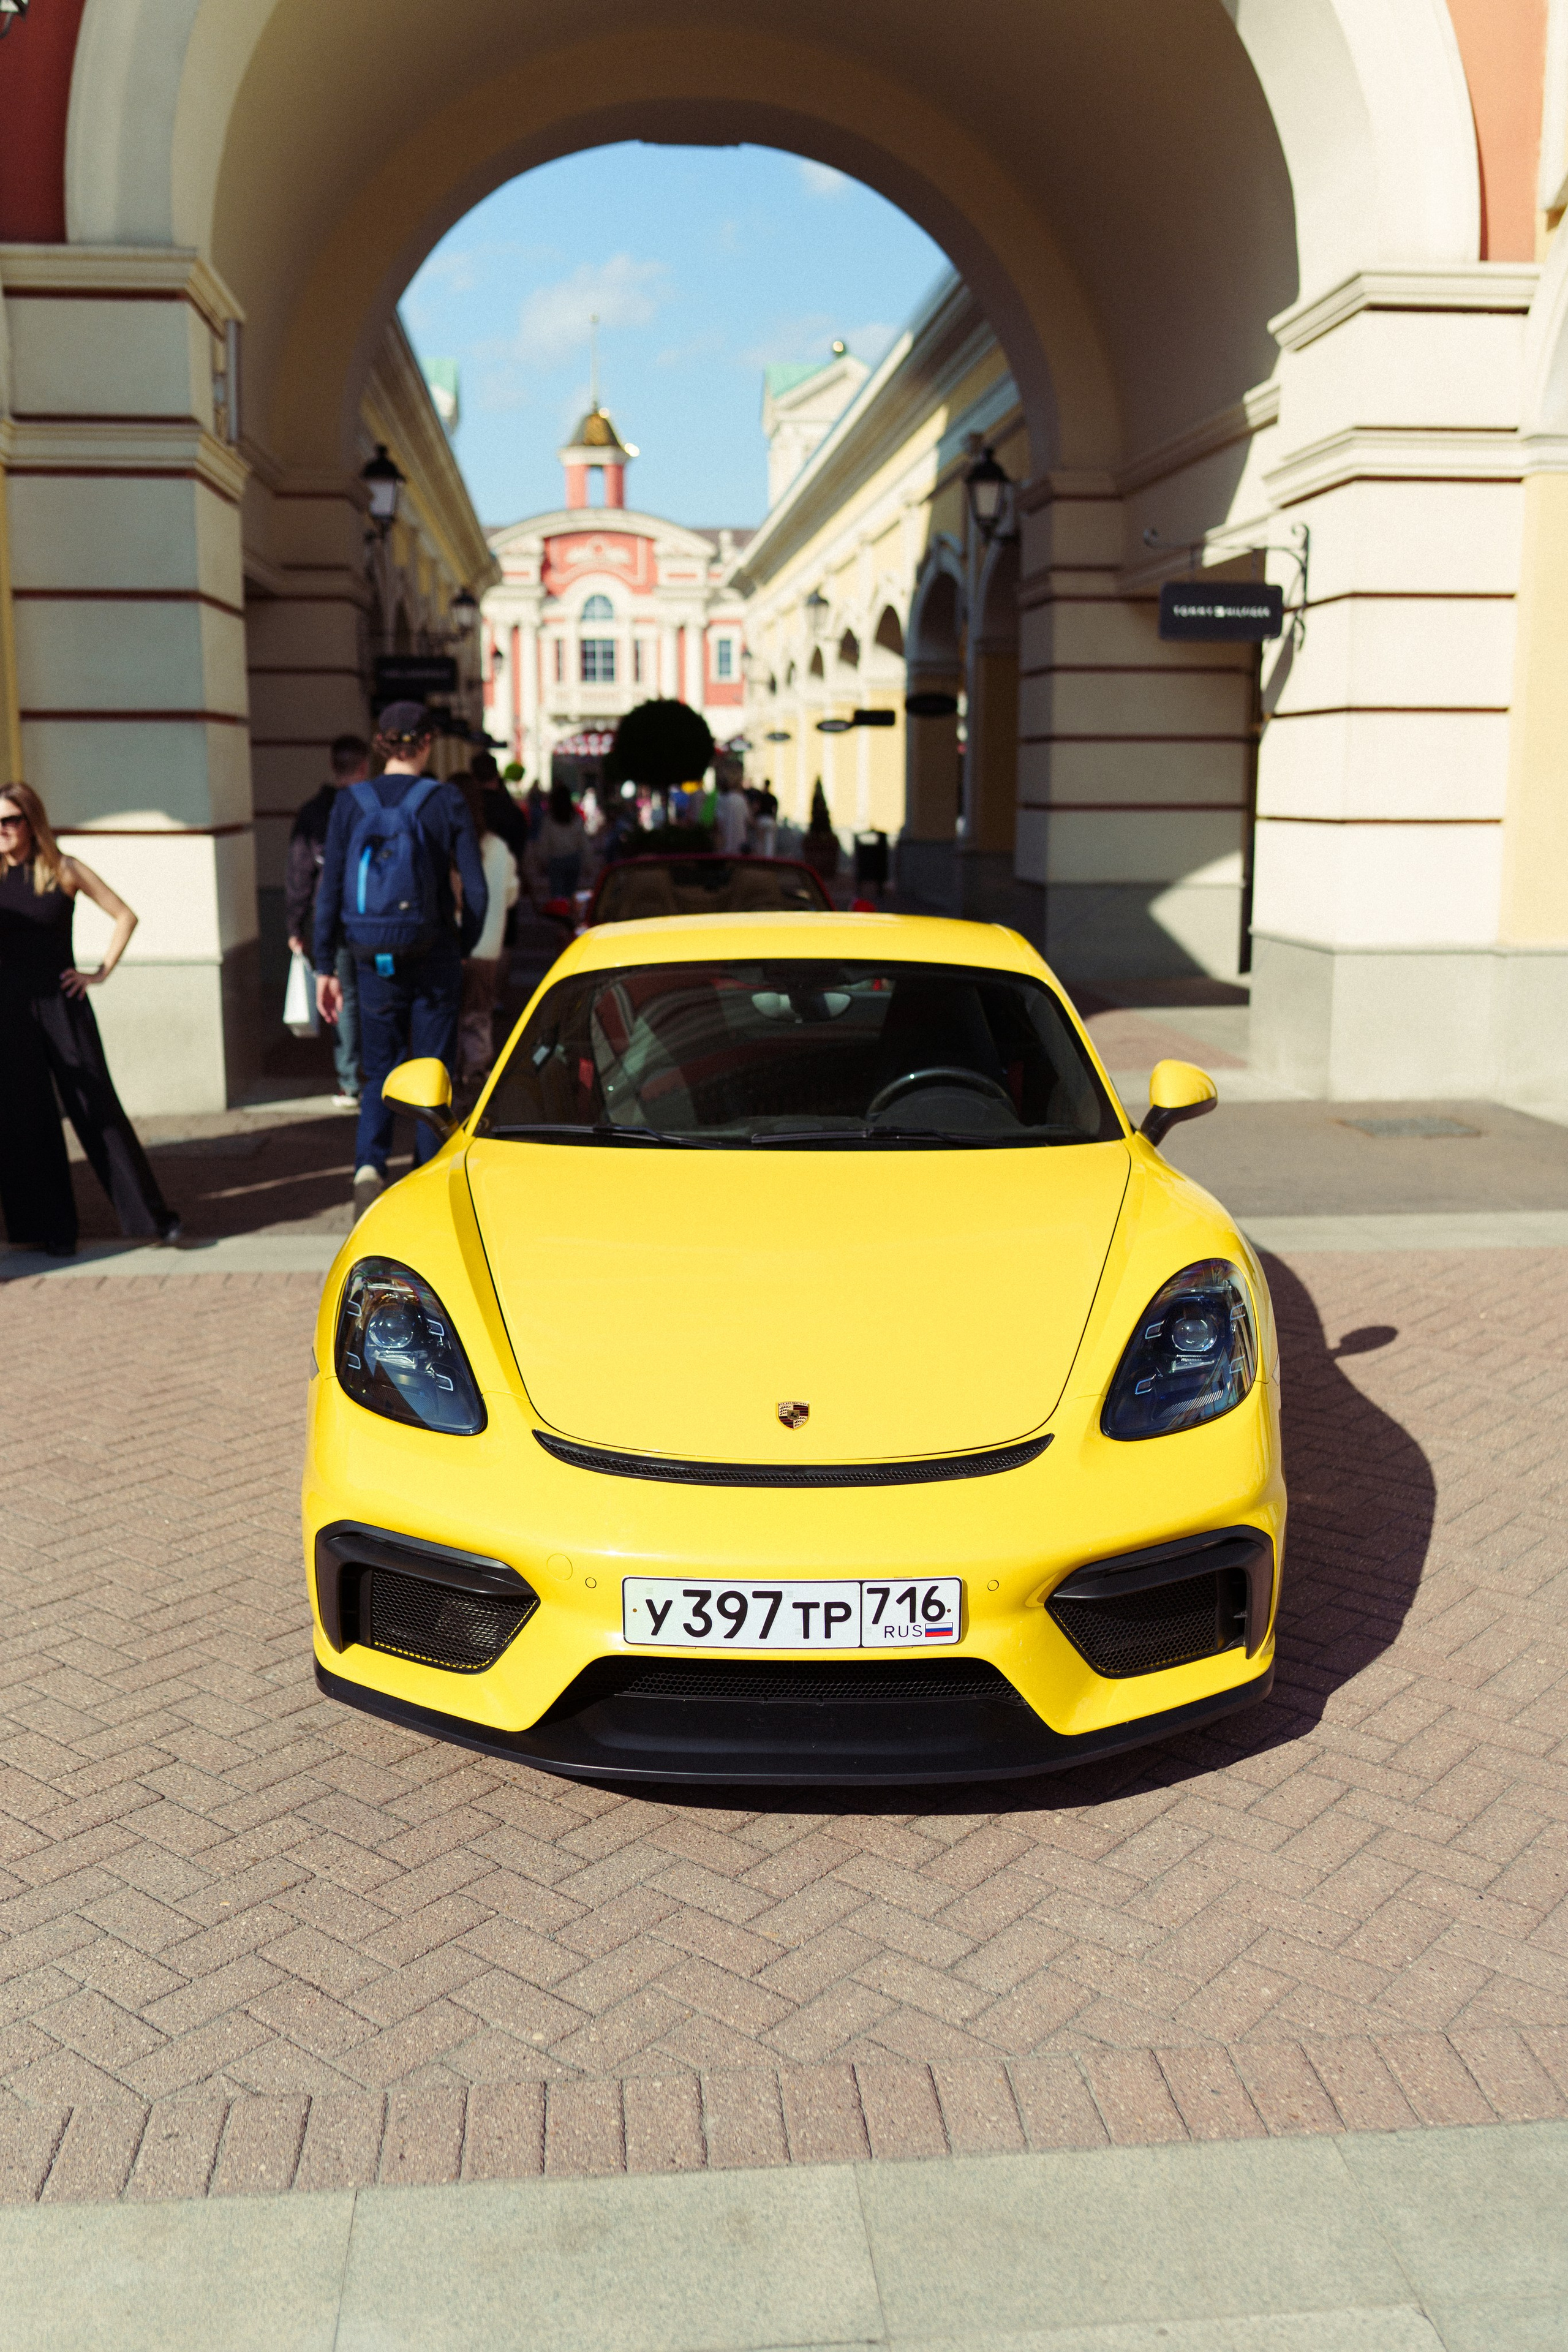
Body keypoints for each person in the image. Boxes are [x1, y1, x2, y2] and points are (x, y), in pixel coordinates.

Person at [313, 703, 487, 1216]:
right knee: (433, 1069)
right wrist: (465, 943)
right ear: (427, 742)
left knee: (379, 1067)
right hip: (435, 955)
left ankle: (369, 1165)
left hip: (373, 958)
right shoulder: (446, 801)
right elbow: (475, 888)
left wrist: (326, 964)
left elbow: (331, 890)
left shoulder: (350, 803)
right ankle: (427, 1177)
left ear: (381, 744)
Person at [0, 782, 179, 1256]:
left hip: (63, 1005)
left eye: (9, 821)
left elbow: (124, 915)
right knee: (26, 1117)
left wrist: (98, 973)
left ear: (31, 822)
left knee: (97, 1108)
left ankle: (154, 1218)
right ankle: (50, 1229)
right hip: (11, 1010)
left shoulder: (64, 869)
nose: (1, 831)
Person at [285, 731, 369, 1107]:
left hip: (331, 917)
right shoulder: (373, 807)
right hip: (374, 917)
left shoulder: (314, 812)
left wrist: (295, 925)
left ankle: (350, 1081)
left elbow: (299, 873)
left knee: (344, 998)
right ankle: (385, 1073)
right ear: (365, 766)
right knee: (378, 994)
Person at [456, 776, 519, 1085]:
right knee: (479, 1014)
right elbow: (510, 895)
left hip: (452, 945)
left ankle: (449, 1074)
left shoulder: (446, 845)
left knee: (449, 1015)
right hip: (488, 944)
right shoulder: (498, 847)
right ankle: (477, 1071)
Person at [535, 781, 586, 900]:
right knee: (571, 894)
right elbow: (583, 842)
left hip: (556, 861)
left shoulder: (549, 820)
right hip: (573, 860)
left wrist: (541, 861)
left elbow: (544, 843)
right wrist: (588, 862)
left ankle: (561, 915)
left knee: (557, 896)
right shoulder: (575, 819)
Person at [714, 767, 750, 857]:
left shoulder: (721, 799)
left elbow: (718, 822)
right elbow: (748, 821)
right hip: (739, 845)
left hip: (726, 844)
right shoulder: (741, 799)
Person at [748, 779, 778, 859]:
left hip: (761, 820)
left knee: (760, 844)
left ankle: (761, 860)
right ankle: (769, 860)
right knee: (770, 844)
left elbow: (756, 808)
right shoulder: (773, 797)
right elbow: (775, 811)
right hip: (770, 820)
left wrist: (754, 818)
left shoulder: (760, 796)